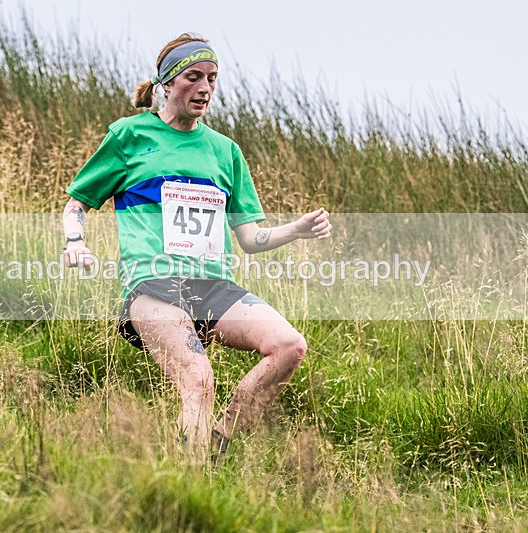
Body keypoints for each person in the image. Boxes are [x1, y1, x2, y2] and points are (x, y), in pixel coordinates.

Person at [62, 33, 331, 458]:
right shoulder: (129, 137)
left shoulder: (225, 152)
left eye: (212, 78)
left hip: (212, 286)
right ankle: (194, 478)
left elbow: (251, 238)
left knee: (289, 346)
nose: (205, 88)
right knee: (197, 376)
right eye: (193, 77)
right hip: (152, 287)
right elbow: (77, 202)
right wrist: (75, 241)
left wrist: (294, 230)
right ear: (167, 83)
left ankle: (219, 439)